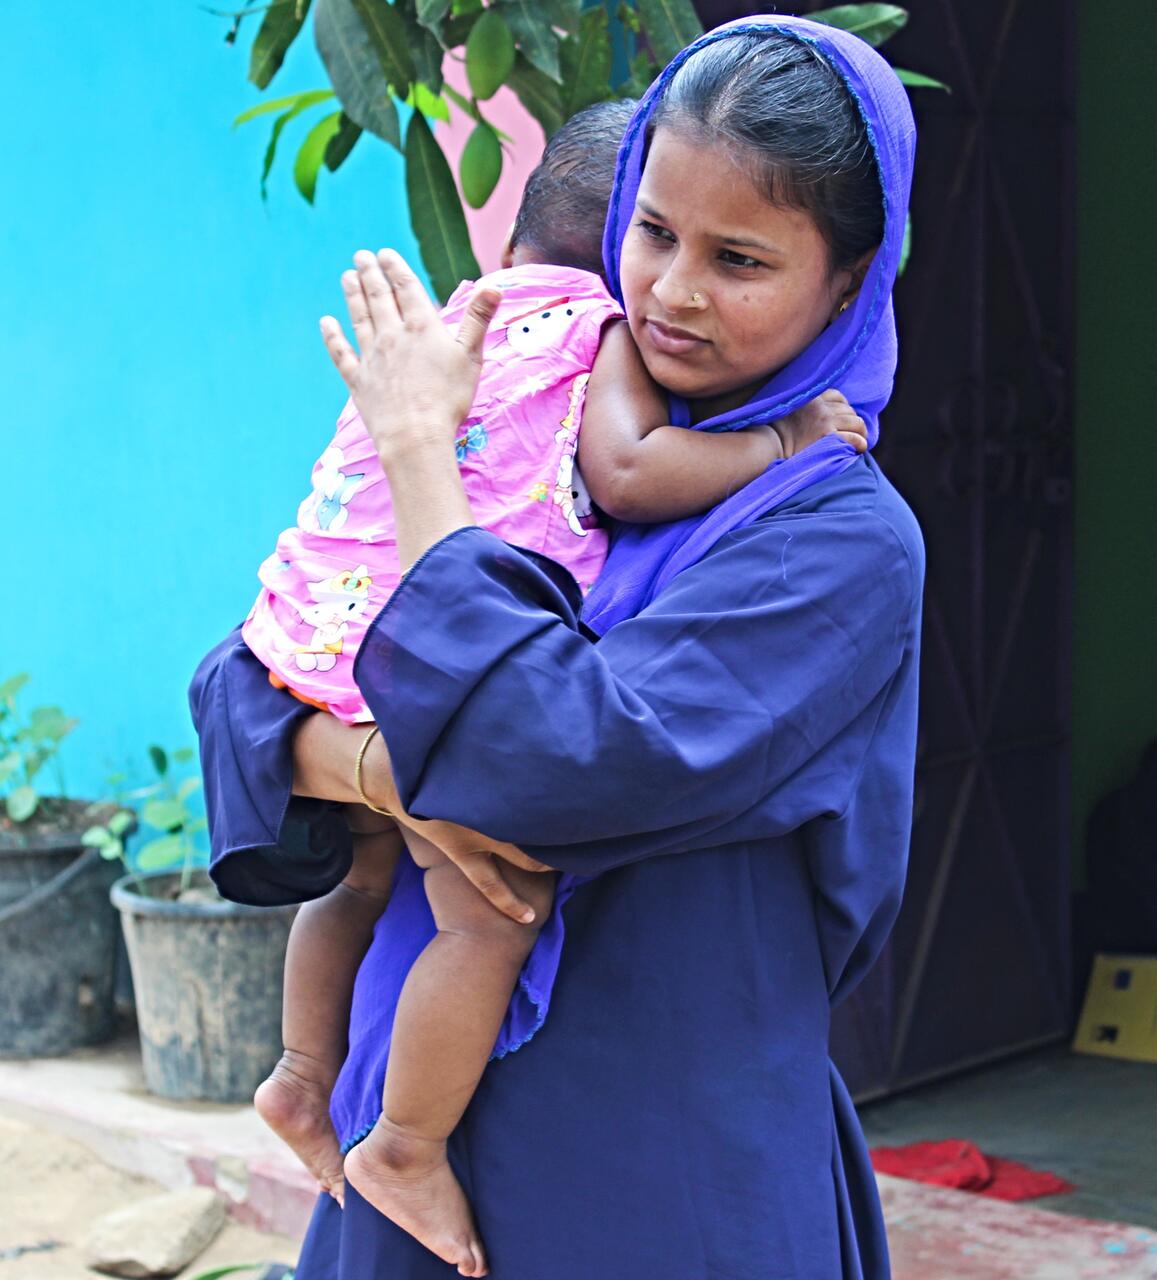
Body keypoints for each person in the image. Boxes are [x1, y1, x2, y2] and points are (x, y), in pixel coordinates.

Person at [190, 15, 923, 1279]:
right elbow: (241, 692)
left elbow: (554, 767)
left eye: (739, 258)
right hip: (416, 1141)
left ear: (848, 280)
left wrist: (423, 464)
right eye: (651, 231)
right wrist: (380, 770)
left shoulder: (834, 535)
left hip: (662, 1164)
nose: (673, 292)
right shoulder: (543, 414)